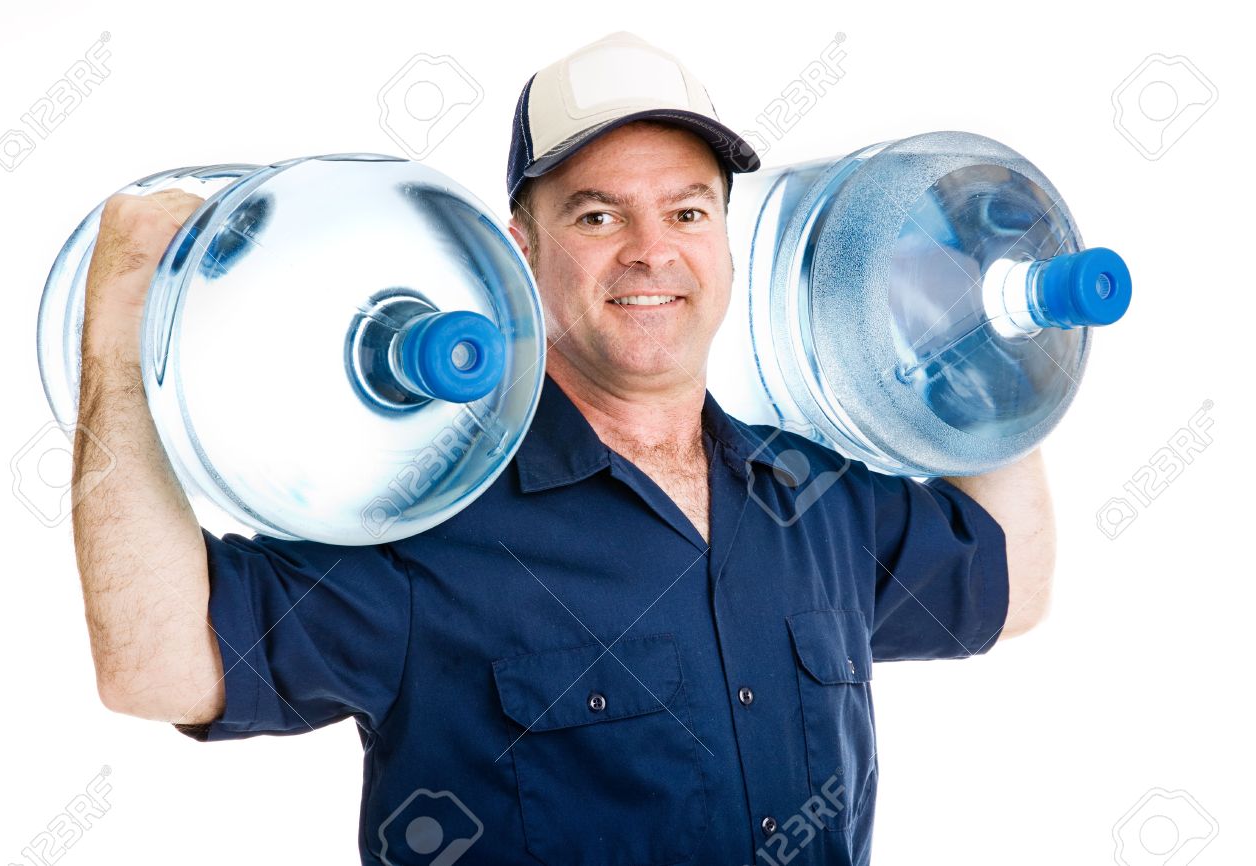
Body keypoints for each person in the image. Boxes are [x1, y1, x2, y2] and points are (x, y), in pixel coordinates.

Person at [72, 31, 1054, 866]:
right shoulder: (431, 515)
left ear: (722, 238)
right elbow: (156, 663)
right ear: (519, 247)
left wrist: (986, 331)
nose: (650, 250)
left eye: (686, 210)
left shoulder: (811, 496)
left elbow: (1009, 582)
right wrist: (119, 329)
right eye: (597, 214)